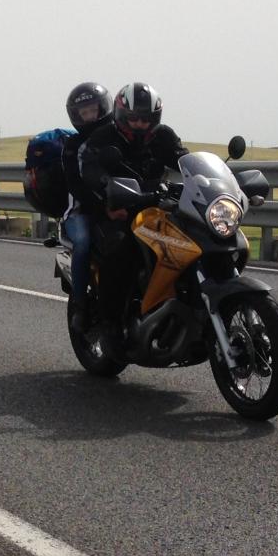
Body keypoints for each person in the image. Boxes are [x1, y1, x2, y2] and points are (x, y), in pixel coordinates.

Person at [78, 82, 189, 354]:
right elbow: (90, 170)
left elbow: (184, 160)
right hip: (118, 210)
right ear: (121, 114)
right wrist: (107, 192)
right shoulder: (104, 137)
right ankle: (111, 325)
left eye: (146, 119)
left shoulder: (163, 136)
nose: (140, 124)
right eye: (134, 119)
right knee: (121, 249)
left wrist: (207, 179)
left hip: (157, 208)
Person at [59, 82, 112, 332]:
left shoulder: (115, 136)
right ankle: (80, 302)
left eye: (93, 109)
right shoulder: (73, 145)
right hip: (79, 210)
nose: (90, 116)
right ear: (76, 115)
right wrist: (100, 205)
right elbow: (75, 185)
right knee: (83, 243)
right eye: (84, 112)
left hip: (113, 205)